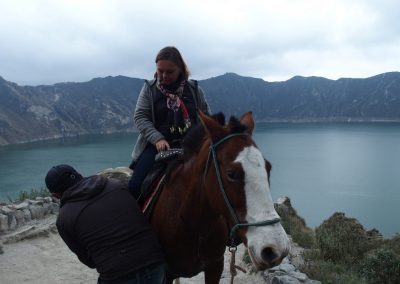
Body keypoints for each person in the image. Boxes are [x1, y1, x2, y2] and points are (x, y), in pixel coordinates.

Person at [45, 164, 166, 284]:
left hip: (117, 276)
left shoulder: (64, 218)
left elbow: (90, 262)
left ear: (56, 195)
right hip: (155, 264)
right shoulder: (116, 185)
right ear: (80, 175)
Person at [129, 46, 211, 199]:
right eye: (160, 71)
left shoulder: (194, 90)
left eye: (170, 71)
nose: (164, 75)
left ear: (180, 69)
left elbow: (206, 117)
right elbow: (140, 117)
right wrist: (157, 138)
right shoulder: (150, 89)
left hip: (192, 144)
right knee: (134, 186)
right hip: (157, 145)